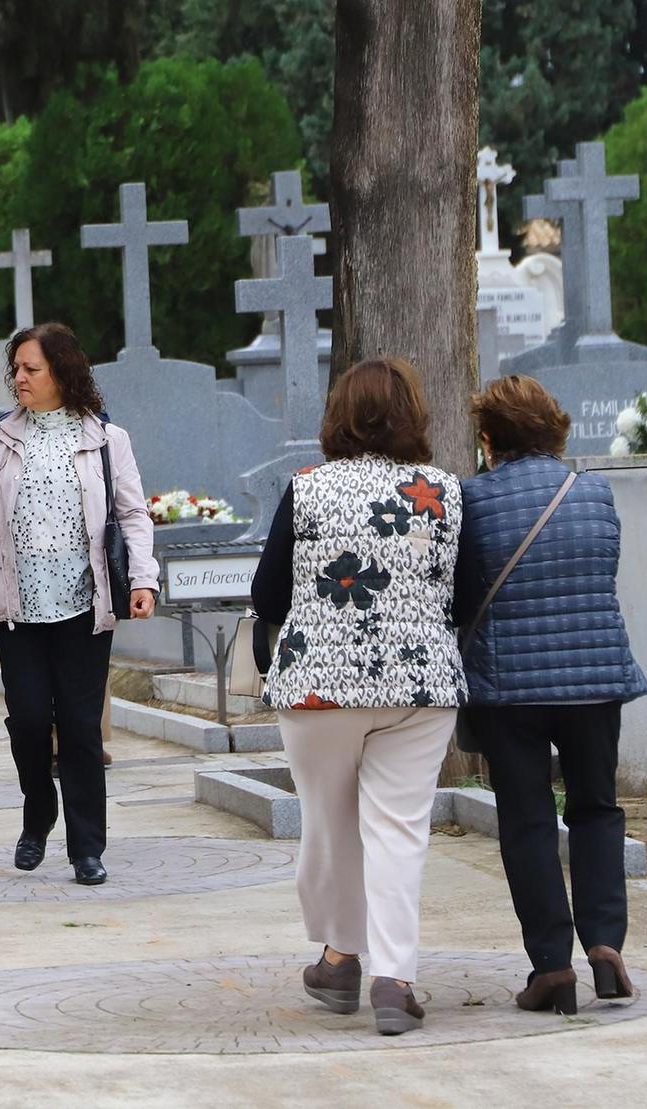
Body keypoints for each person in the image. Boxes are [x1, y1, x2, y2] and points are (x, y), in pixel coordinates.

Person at [250, 357, 464, 1037]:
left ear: (339, 414)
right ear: (413, 414)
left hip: (320, 683)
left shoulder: (308, 487)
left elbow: (266, 594)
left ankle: (340, 955)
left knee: (328, 821)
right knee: (399, 829)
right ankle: (392, 979)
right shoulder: (445, 491)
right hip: (419, 683)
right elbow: (464, 586)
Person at [458, 375, 647, 1013]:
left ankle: (551, 966)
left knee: (528, 822)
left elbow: (462, 596)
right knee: (597, 808)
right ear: (554, 429)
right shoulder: (593, 491)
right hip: (595, 678)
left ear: (490, 438)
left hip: (508, 686)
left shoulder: (472, 501)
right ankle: (605, 946)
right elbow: (604, 573)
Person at [0, 323, 157, 887]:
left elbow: (134, 515)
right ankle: (38, 814)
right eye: (15, 369)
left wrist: (143, 578)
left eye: (31, 369)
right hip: (16, 608)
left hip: (84, 606)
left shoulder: (105, 440)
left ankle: (87, 846)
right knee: (25, 721)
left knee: (79, 726)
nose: (18, 378)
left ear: (61, 372)